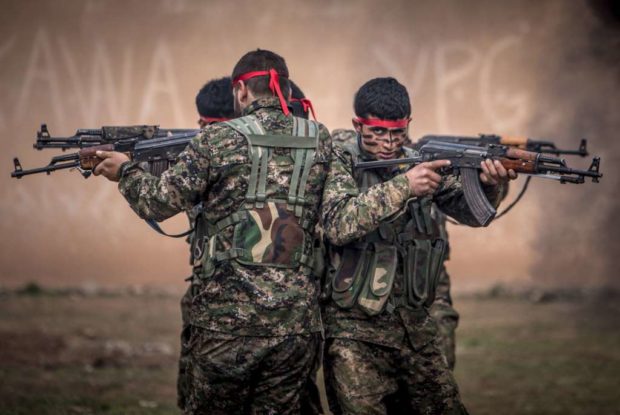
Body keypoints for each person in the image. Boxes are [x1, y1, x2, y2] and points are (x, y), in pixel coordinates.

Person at [93, 49, 333, 414]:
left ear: (240, 91)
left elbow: (158, 202)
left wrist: (125, 172)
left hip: (226, 326)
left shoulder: (215, 140)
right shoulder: (321, 138)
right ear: (285, 87)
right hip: (296, 327)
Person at [319, 77, 516, 414]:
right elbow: (338, 224)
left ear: (407, 125)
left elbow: (470, 213)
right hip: (355, 334)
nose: (387, 143)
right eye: (377, 132)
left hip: (415, 331)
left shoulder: (417, 160)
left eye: (396, 133)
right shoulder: (340, 159)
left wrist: (487, 184)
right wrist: (404, 186)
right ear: (357, 125)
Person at [177, 76, 235, 411]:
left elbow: (160, 200)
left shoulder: (214, 155)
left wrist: (128, 173)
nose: (200, 132)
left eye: (206, 126)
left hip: (218, 302)